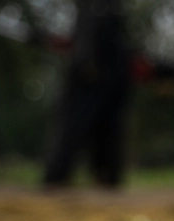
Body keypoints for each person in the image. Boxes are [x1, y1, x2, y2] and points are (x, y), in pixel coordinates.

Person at [43, 0, 130, 189]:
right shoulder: (95, 10)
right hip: (90, 79)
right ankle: (57, 178)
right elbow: (85, 42)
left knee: (105, 130)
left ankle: (107, 177)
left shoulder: (108, 11)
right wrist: (85, 61)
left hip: (106, 79)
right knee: (73, 128)